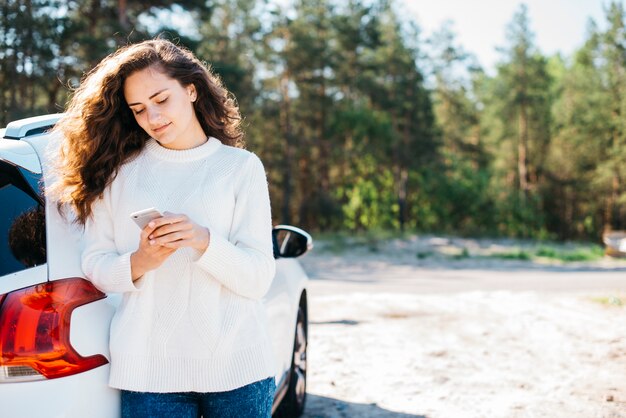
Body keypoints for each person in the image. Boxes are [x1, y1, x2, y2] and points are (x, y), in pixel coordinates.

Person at [49, 39, 277, 418]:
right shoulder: (118, 175)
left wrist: (204, 241)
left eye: (161, 100)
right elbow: (96, 263)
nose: (152, 117)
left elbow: (258, 279)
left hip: (239, 369)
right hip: (150, 377)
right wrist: (140, 261)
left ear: (191, 89)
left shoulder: (241, 167)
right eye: (139, 109)